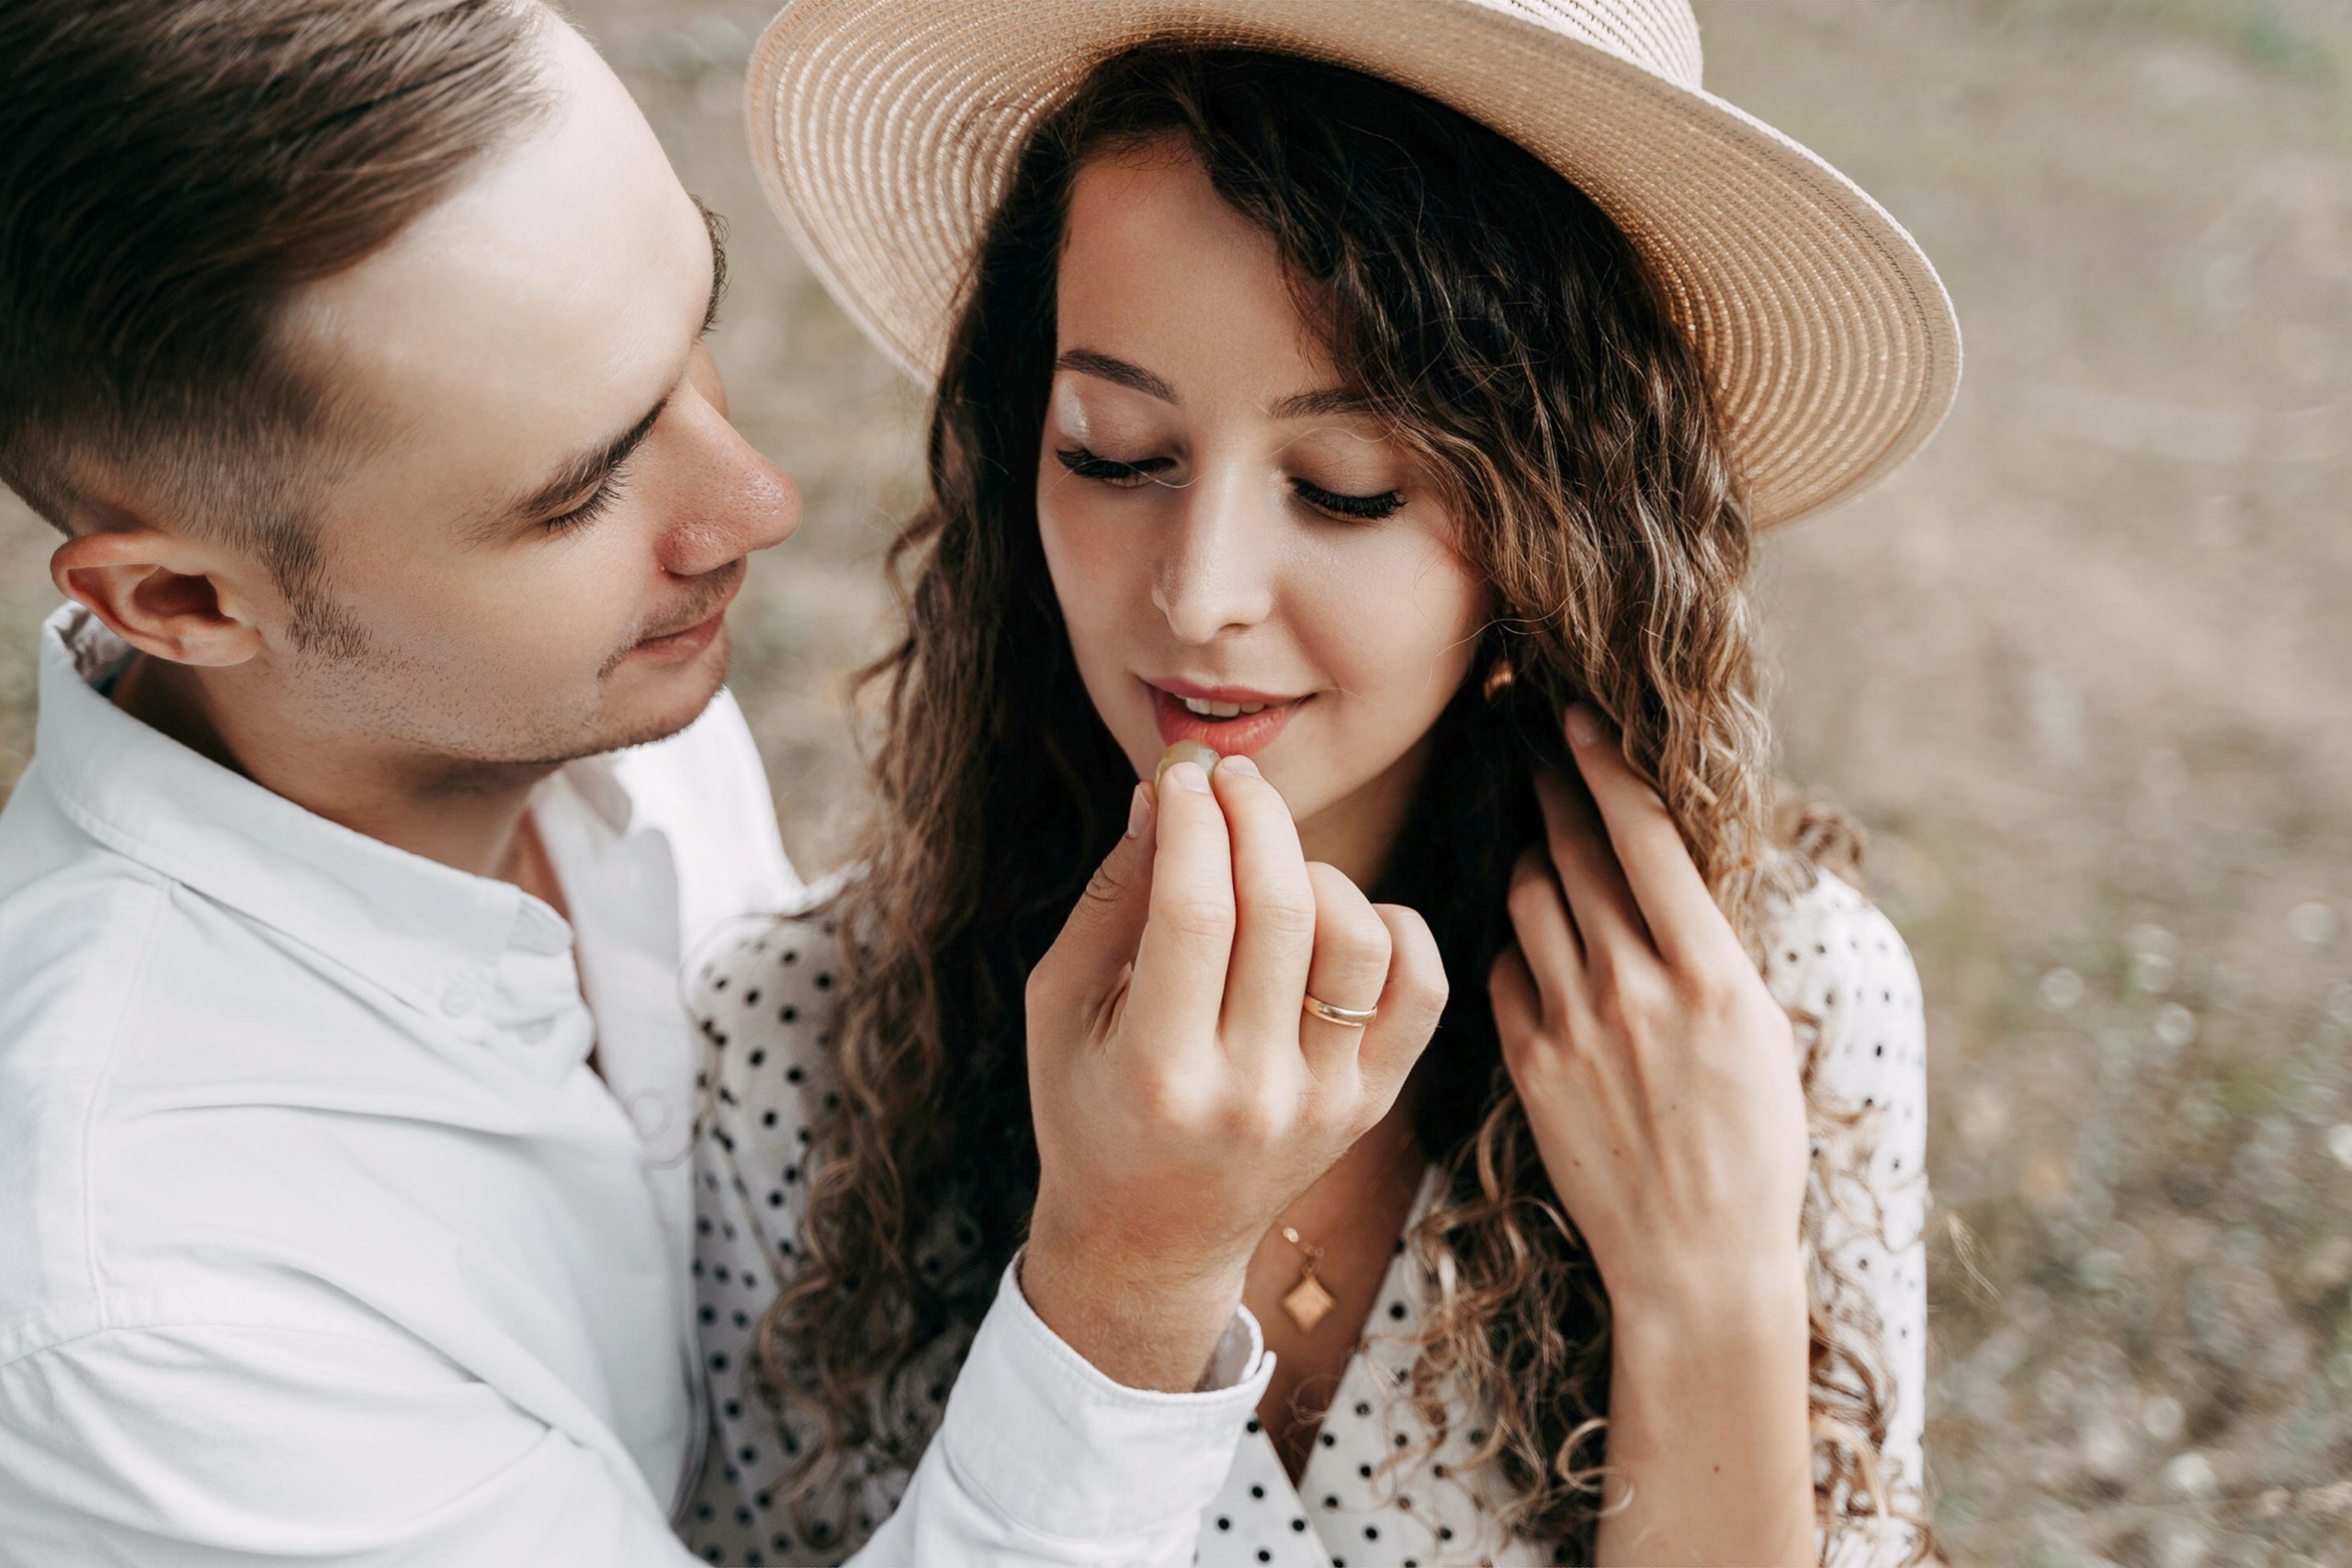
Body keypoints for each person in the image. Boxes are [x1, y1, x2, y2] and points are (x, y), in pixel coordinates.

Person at [0, 2, 1440, 1562]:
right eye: (577, 491)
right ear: (185, 605)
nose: (755, 502)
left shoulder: (578, 696)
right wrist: (1132, 1284)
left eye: (695, 328)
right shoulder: (143, 1299)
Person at [689, 1, 1959, 1564]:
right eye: (1113, 451)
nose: (1203, 588)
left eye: (1347, 487)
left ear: (1552, 524)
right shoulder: (784, 1052)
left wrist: (1713, 1295)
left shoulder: (1783, 1013)